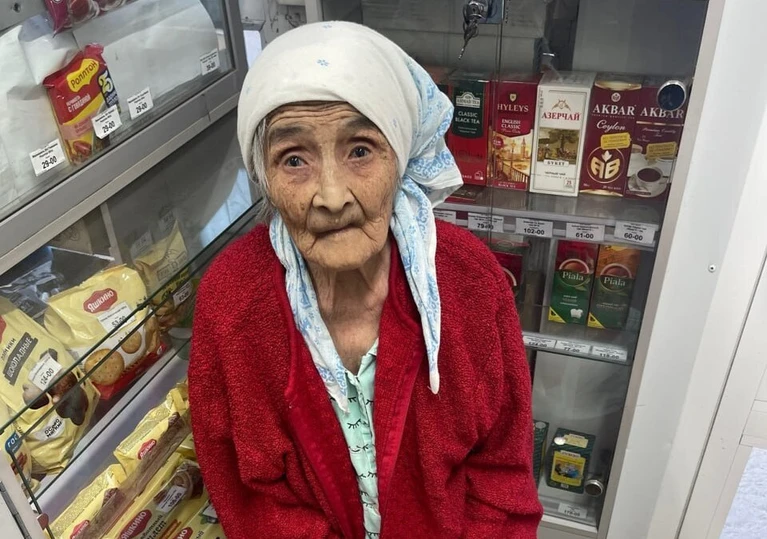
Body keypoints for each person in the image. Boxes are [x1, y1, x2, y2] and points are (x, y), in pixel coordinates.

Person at [188, 21, 542, 539]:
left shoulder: (468, 279)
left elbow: (501, 478)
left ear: (402, 156)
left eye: (360, 150)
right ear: (263, 179)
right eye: (294, 159)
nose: (332, 197)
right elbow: (249, 496)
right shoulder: (233, 298)